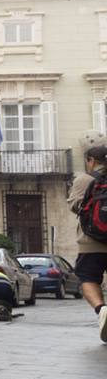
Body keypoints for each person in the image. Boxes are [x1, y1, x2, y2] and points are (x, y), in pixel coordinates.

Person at [68, 143, 107, 343]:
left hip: (91, 241)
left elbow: (75, 206)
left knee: (88, 278)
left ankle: (102, 310)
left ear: (91, 161)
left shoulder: (83, 179)